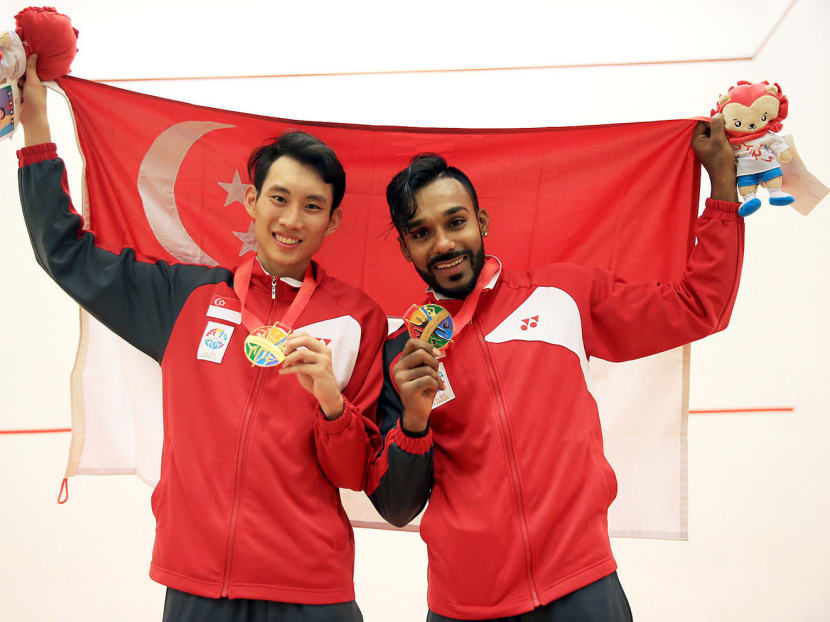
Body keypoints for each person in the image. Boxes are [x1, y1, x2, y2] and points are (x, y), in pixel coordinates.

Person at [17, 55, 385, 622]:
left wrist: (332, 406)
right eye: (279, 199)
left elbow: (356, 474)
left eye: (313, 206)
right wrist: (36, 128)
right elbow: (64, 255)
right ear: (252, 203)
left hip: (312, 592)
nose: (292, 219)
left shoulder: (357, 319)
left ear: (332, 222)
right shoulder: (185, 299)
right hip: (198, 586)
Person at [366, 116, 742, 621]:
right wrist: (414, 419)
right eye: (421, 233)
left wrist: (722, 188)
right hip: (466, 604)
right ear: (406, 247)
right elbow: (396, 506)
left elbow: (701, 307)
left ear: (482, 221)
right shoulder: (402, 353)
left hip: (582, 587)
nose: (443, 245)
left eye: (455, 222)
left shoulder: (560, 296)